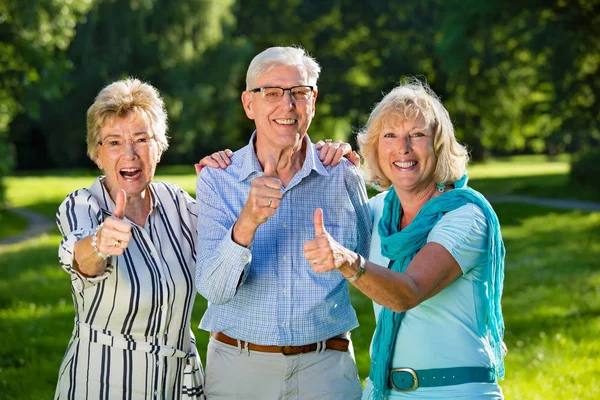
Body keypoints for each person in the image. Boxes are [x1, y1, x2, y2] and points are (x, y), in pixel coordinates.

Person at [303, 79, 506, 399]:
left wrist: (348, 261)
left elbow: (406, 293)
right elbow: (304, 239)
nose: (403, 148)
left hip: (456, 391)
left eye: (417, 135)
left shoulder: (465, 215)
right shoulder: (375, 212)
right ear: (375, 149)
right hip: (384, 390)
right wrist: (326, 167)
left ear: (439, 145)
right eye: (390, 136)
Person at [194, 46, 372, 400]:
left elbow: (373, 265)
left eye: (299, 93)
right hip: (239, 369)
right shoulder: (218, 178)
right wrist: (248, 221)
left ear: (313, 100)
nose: (287, 106)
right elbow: (212, 289)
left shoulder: (342, 175)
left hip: (326, 368)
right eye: (272, 93)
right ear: (249, 104)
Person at [55, 78, 204, 399]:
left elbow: (230, 246)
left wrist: (226, 177)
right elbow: (80, 256)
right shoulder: (82, 204)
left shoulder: (176, 202)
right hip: (103, 382)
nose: (130, 153)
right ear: (97, 154)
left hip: (177, 386)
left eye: (141, 139)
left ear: (159, 146)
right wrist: (99, 243)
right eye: (114, 142)